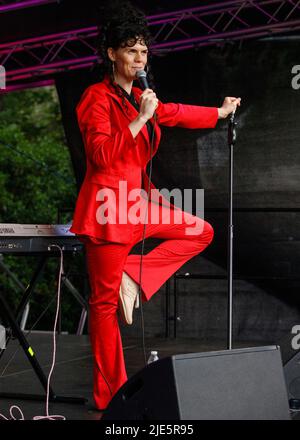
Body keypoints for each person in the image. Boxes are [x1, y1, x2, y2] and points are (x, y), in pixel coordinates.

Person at [70, 1, 241, 411]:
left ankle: (133, 276)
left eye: (143, 51)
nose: (139, 58)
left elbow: (174, 113)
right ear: (112, 54)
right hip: (108, 211)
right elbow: (99, 157)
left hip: (137, 206)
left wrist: (218, 113)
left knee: (200, 231)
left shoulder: (140, 100)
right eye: (131, 50)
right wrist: (138, 120)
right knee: (105, 307)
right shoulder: (96, 98)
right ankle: (109, 395)